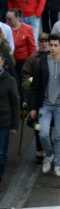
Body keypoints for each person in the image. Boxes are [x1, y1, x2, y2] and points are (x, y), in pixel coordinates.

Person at [28, 34, 60, 177]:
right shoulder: (42, 63)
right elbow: (35, 86)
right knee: (43, 133)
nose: (53, 48)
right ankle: (49, 155)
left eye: (56, 45)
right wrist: (33, 107)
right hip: (45, 105)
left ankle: (58, 165)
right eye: (51, 45)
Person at [0, 52, 20, 184]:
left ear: (2, 62)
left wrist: (14, 125)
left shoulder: (10, 80)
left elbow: (15, 103)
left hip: (3, 123)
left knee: (1, 154)